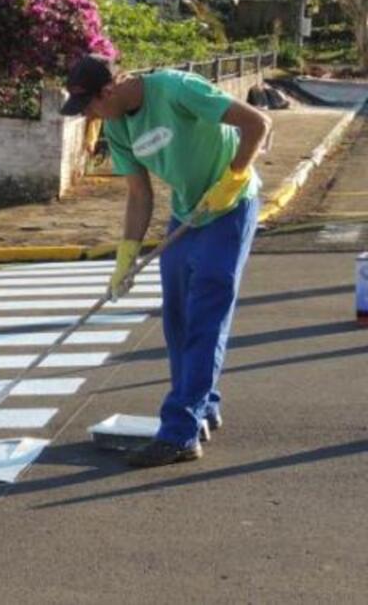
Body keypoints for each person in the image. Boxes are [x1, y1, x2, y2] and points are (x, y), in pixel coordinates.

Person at [60, 55, 271, 467]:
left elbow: (259, 124)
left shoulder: (177, 90)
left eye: (90, 106)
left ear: (109, 90)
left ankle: (180, 432)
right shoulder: (118, 126)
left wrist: (235, 176)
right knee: (178, 320)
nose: (89, 116)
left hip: (230, 208)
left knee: (206, 317)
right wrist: (125, 258)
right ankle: (203, 406)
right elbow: (140, 195)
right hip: (188, 212)